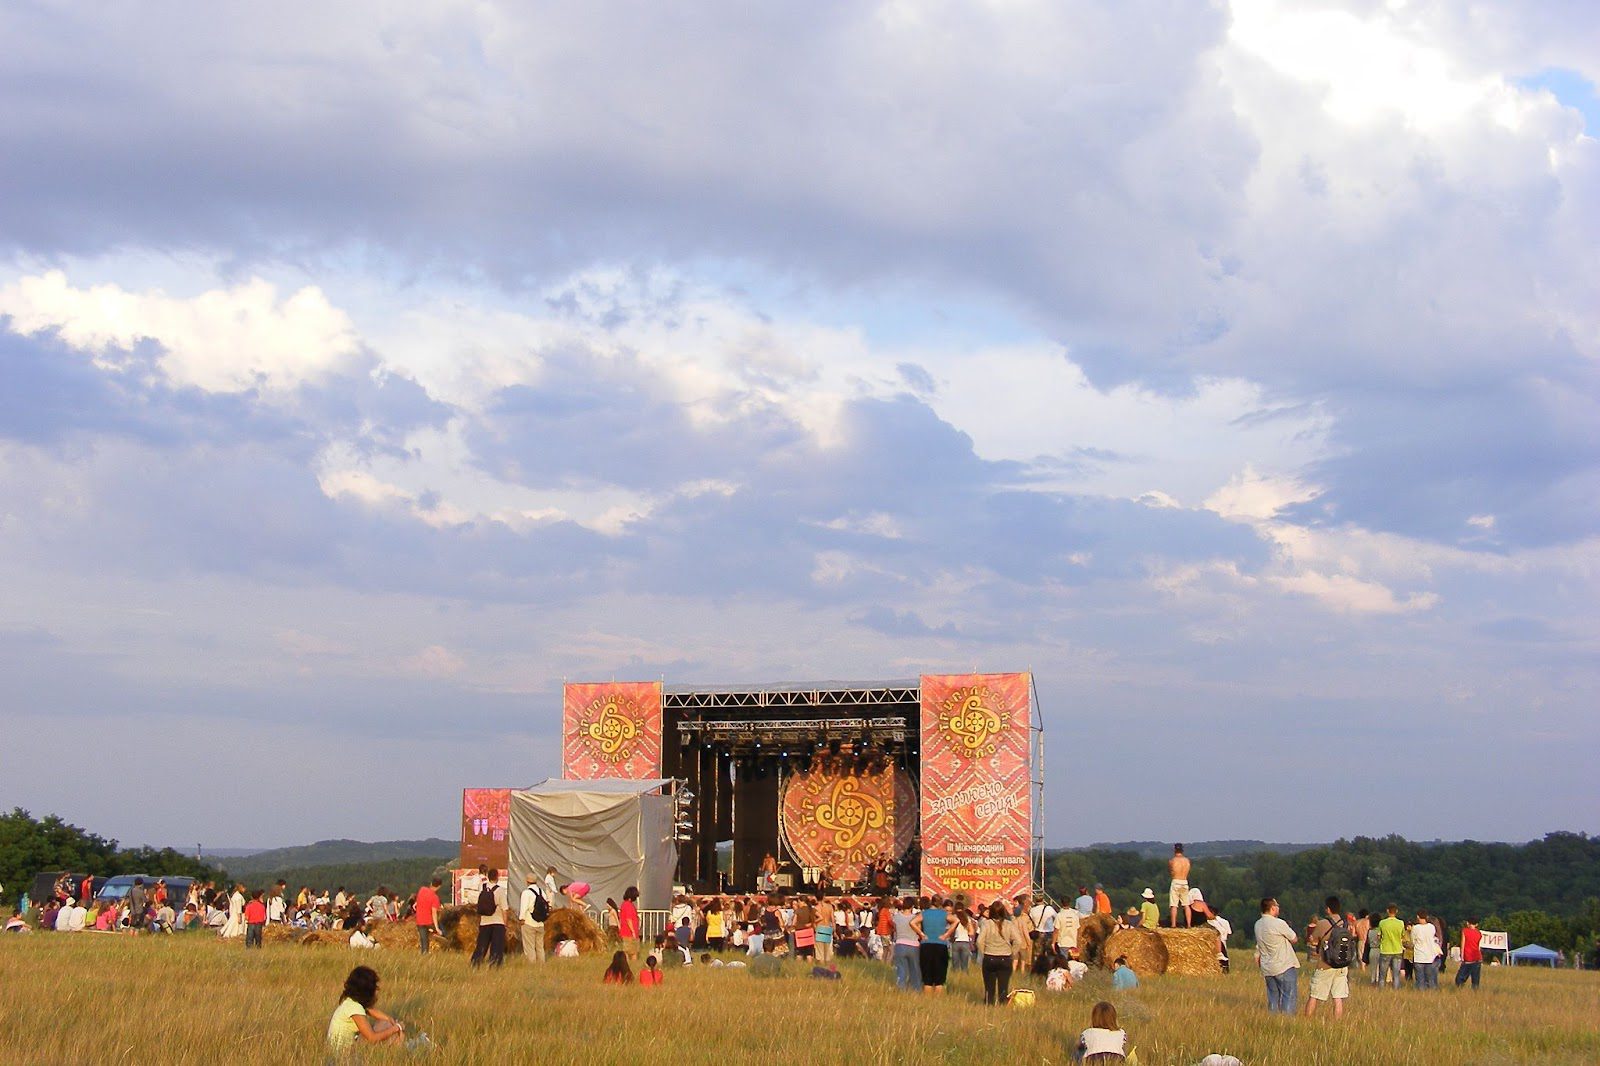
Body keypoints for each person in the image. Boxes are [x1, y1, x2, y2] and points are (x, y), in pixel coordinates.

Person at [327, 965, 404, 1053]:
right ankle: (397, 1051)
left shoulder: (350, 1002)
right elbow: (372, 1038)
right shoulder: (355, 1008)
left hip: (341, 1051)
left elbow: (370, 1011)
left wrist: (390, 1020)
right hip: (343, 1055)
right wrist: (396, 1028)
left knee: (385, 1023)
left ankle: (397, 1050)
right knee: (387, 1028)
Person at [1305, 895, 1351, 1019]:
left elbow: (1313, 940)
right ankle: (1337, 1023)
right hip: (1342, 964)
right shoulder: (1346, 924)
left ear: (1328, 909)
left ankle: (1307, 1021)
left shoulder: (1322, 923)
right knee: (1338, 998)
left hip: (1325, 964)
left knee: (1314, 995)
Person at [976, 900, 1027, 1006]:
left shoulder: (987, 924)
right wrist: (1012, 953)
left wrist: (984, 952)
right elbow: (1018, 940)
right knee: (1003, 988)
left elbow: (979, 941)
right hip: (1005, 957)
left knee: (989, 988)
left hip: (990, 956)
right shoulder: (1009, 924)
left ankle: (989, 1005)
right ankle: (1002, 1005)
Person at [1254, 897, 1299, 1014]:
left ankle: (1273, 1020)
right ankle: (1286, 1021)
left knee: (1273, 997)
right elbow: (1294, 938)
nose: (1279, 908)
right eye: (1277, 906)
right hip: (1283, 965)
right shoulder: (1278, 923)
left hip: (1267, 967)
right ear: (1273, 908)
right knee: (1288, 996)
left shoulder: (1258, 924)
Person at [469, 869, 507, 968]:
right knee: (496, 946)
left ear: (488, 877)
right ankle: (494, 965)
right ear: (497, 877)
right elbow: (504, 909)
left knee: (482, 945)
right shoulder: (500, 890)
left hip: (484, 922)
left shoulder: (482, 887)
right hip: (498, 922)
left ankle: (475, 963)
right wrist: (505, 924)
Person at [890, 896, 923, 990]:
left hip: (900, 944)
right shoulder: (915, 918)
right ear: (912, 906)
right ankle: (916, 990)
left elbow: (894, 929)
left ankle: (901, 989)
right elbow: (919, 931)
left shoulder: (896, 917)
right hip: (913, 945)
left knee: (901, 970)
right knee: (915, 970)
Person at [919, 895, 950, 994]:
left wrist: (921, 934)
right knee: (939, 978)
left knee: (927, 978)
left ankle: (927, 999)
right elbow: (956, 920)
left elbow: (912, 922)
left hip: (926, 945)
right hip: (940, 944)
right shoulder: (944, 914)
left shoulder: (924, 913)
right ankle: (938, 999)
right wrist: (946, 934)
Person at [518, 875, 546, 963]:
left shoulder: (526, 893)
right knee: (540, 947)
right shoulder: (542, 892)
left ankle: (532, 965)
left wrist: (521, 919)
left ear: (527, 881)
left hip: (529, 922)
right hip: (540, 924)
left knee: (529, 946)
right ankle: (541, 964)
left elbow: (524, 908)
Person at [1411, 910, 1441, 990]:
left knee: (1420, 980)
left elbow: (1413, 941)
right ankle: (1431, 993)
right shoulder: (1431, 927)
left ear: (1418, 917)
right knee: (1430, 979)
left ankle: (1421, 993)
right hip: (1429, 956)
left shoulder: (1415, 928)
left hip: (1419, 956)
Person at [1375, 905, 1404, 988]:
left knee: (1382, 975)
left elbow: (1379, 936)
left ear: (1387, 911)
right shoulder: (1400, 923)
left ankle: (1381, 990)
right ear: (1396, 911)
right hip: (1397, 950)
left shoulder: (1382, 923)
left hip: (1385, 950)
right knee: (1396, 974)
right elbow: (1402, 935)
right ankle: (1396, 990)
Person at [414, 877, 442, 955]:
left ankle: (424, 953)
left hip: (419, 920)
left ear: (431, 883)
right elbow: (434, 913)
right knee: (443, 929)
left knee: (423, 939)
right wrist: (437, 928)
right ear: (439, 886)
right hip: (429, 922)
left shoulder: (422, 890)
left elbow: (418, 900)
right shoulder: (435, 898)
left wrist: (416, 904)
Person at [1456, 917, 1483, 990]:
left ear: (1468, 923)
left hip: (1468, 957)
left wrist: (1462, 956)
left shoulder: (1465, 931)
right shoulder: (1479, 933)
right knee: (1475, 980)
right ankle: (1475, 993)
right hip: (1477, 957)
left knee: (1460, 978)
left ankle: (1459, 990)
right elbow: (1478, 946)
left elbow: (1463, 944)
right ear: (1476, 924)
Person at [1169, 845, 1191, 928]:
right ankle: (1189, 924)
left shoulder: (1172, 861)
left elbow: (1171, 872)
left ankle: (1173, 924)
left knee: (1174, 905)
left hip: (1176, 880)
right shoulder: (1187, 861)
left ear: (1175, 850)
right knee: (1186, 904)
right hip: (1184, 881)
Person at [618, 885, 641, 961]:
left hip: (627, 933)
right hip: (629, 933)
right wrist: (633, 931)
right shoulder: (628, 905)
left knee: (629, 951)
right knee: (632, 952)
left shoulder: (625, 904)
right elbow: (629, 919)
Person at [950, 906, 975, 973]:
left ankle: (956, 976)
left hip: (956, 942)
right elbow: (971, 932)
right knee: (965, 965)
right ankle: (964, 976)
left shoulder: (954, 918)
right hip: (965, 942)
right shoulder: (967, 919)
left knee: (955, 965)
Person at [1207, 908, 1232, 973]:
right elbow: (1229, 933)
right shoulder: (1225, 921)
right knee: (1224, 958)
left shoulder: (1209, 922)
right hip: (1223, 941)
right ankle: (1225, 971)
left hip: (1215, 942)